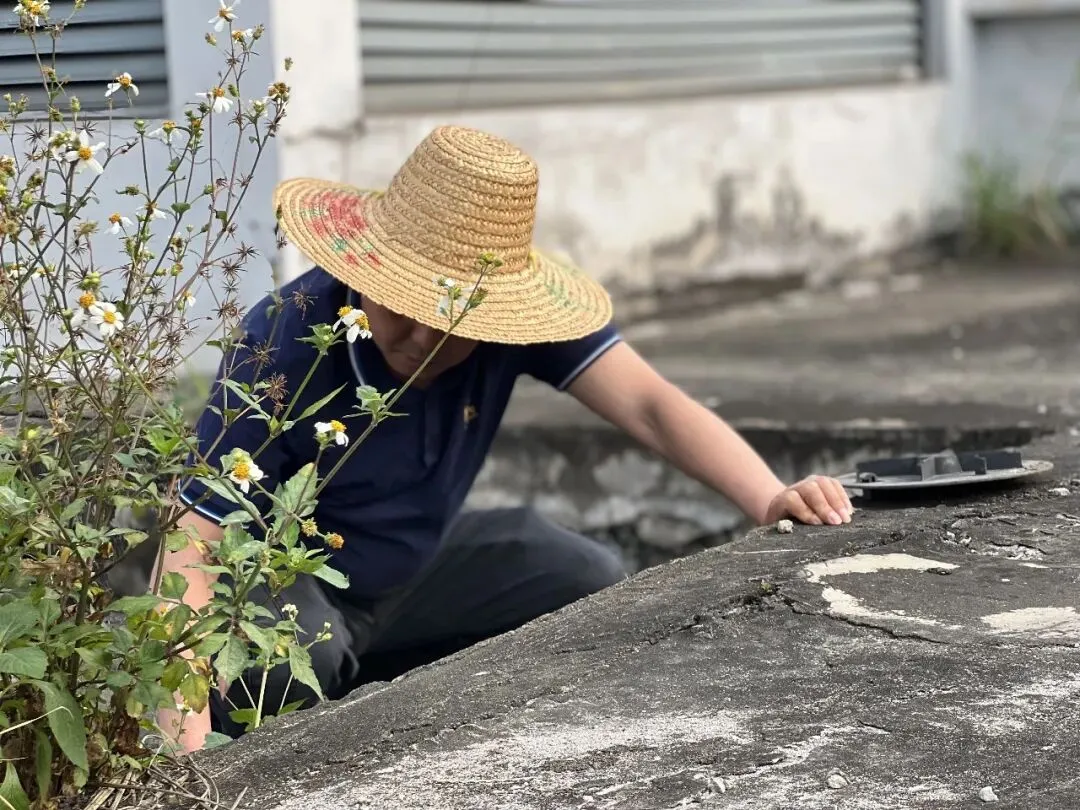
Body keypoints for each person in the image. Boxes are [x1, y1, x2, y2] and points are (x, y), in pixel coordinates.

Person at [159, 125, 853, 752]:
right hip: (289, 578)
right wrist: (183, 761)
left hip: (414, 569)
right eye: (405, 305)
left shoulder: (513, 323)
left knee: (587, 580)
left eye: (450, 321)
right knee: (282, 667)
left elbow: (649, 405)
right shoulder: (284, 342)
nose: (422, 338)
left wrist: (768, 498)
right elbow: (191, 540)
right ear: (370, 267)